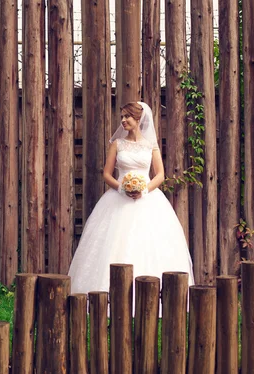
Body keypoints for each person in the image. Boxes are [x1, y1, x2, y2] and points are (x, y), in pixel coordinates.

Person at [68, 102, 194, 307]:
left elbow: (160, 174)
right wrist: (122, 188)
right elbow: (107, 174)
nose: (123, 121)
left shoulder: (151, 146)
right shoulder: (117, 144)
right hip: (118, 199)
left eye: (127, 117)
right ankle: (108, 299)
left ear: (139, 119)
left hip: (148, 199)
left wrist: (143, 189)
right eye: (122, 117)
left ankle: (152, 299)